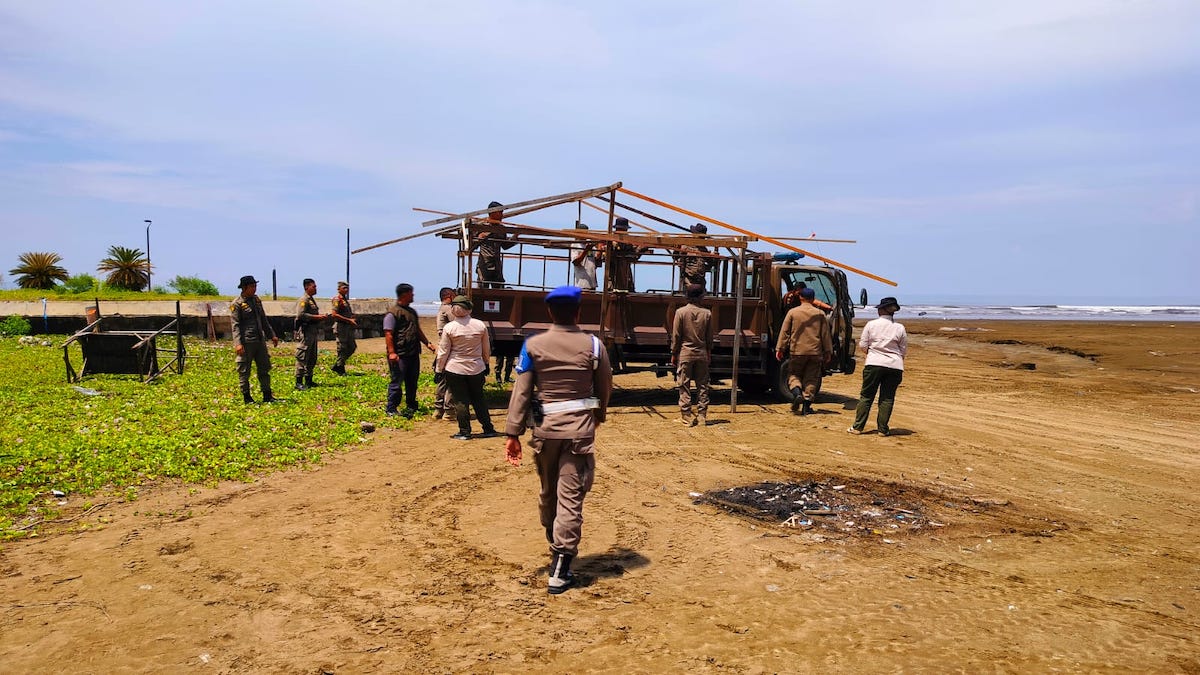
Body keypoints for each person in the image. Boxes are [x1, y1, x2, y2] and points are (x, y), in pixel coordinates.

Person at [504, 285, 613, 595]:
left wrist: (513, 433)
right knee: (571, 497)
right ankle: (561, 567)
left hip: (544, 432)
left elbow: (522, 392)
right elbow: (604, 388)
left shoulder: (533, 345)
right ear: (578, 312)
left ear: (550, 312)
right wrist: (599, 415)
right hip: (578, 433)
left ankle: (554, 540)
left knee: (548, 492)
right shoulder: (594, 346)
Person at [437, 295, 499, 440]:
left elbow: (444, 351)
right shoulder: (480, 325)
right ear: (469, 308)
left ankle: (465, 431)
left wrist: (439, 370)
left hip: (454, 369)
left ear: (453, 310)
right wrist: (486, 363)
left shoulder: (449, 327)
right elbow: (486, 348)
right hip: (476, 367)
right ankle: (488, 429)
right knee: (479, 399)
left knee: (460, 400)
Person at [848, 297, 907, 436]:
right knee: (887, 398)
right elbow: (903, 350)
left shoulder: (871, 325)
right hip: (895, 365)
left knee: (866, 396)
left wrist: (872, 352)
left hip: (874, 363)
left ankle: (858, 427)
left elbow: (863, 345)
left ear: (881, 310)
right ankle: (882, 429)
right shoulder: (900, 327)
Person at [775, 287, 832, 415]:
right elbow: (825, 335)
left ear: (800, 298)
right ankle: (806, 407)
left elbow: (785, 332)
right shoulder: (820, 314)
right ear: (813, 299)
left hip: (797, 351)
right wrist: (828, 351)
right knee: (811, 378)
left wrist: (780, 348)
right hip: (815, 352)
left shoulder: (793, 312)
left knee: (793, 375)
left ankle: (796, 393)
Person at [384, 283, 436, 416]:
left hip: (412, 352)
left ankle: (411, 405)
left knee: (412, 381)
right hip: (399, 354)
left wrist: (427, 343)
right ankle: (391, 408)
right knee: (397, 382)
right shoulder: (393, 313)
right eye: (411, 293)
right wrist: (392, 352)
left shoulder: (412, 312)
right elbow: (388, 333)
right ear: (404, 294)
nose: (413, 295)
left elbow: (417, 330)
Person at [230, 275, 279, 404]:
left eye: (255, 286)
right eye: (252, 286)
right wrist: (238, 344)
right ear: (244, 287)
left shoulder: (256, 300)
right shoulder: (237, 304)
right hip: (247, 342)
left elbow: (263, 320)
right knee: (244, 370)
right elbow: (235, 325)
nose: (255, 289)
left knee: (264, 367)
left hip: (259, 340)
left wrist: (271, 335)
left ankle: (267, 395)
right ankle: (247, 397)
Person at [672, 284, 714, 427]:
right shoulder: (707, 313)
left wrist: (674, 353)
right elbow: (709, 337)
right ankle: (702, 416)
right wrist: (708, 352)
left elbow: (676, 336)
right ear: (701, 296)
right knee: (703, 385)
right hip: (701, 353)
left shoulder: (680, 312)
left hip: (685, 353)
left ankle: (687, 416)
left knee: (684, 385)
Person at [294, 278, 328, 390]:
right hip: (306, 331)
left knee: (312, 357)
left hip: (313, 332)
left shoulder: (311, 300)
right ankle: (298, 381)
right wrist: (317, 317)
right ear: (306, 287)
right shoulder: (304, 300)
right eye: (313, 286)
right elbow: (301, 315)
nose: (316, 288)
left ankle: (309, 379)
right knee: (302, 356)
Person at [474, 200, 517, 289]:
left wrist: (516, 236)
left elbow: (505, 246)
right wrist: (479, 238)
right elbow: (471, 244)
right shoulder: (481, 226)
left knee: (499, 291)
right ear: (492, 213)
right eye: (500, 212)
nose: (502, 215)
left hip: (497, 266)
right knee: (482, 291)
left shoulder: (501, 229)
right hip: (484, 265)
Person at [434, 287, 456, 420]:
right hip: (449, 348)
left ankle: (438, 409)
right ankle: (448, 410)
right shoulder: (448, 309)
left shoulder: (441, 309)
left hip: (442, 348)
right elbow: (458, 322)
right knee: (451, 381)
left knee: (442, 380)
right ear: (449, 296)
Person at [607, 217, 646, 292]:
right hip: (614, 278)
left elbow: (633, 256)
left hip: (626, 278)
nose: (625, 231)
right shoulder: (611, 241)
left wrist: (640, 249)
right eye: (623, 229)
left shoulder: (628, 242)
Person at [329, 281, 357, 375]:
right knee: (342, 348)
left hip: (347, 327)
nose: (346, 290)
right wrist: (348, 320)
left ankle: (338, 364)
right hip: (341, 327)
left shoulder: (345, 300)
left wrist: (351, 318)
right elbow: (334, 314)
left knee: (352, 347)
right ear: (339, 289)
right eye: (344, 288)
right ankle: (340, 368)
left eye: (347, 288)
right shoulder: (337, 299)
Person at [678, 223, 715, 290]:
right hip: (694, 279)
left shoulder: (686, 246)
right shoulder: (703, 249)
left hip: (692, 278)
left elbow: (676, 257)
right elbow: (711, 263)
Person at [570, 223, 602, 290]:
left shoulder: (589, 244)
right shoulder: (575, 245)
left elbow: (597, 256)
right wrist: (586, 250)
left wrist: (600, 246)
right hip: (582, 284)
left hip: (592, 284)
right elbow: (575, 262)